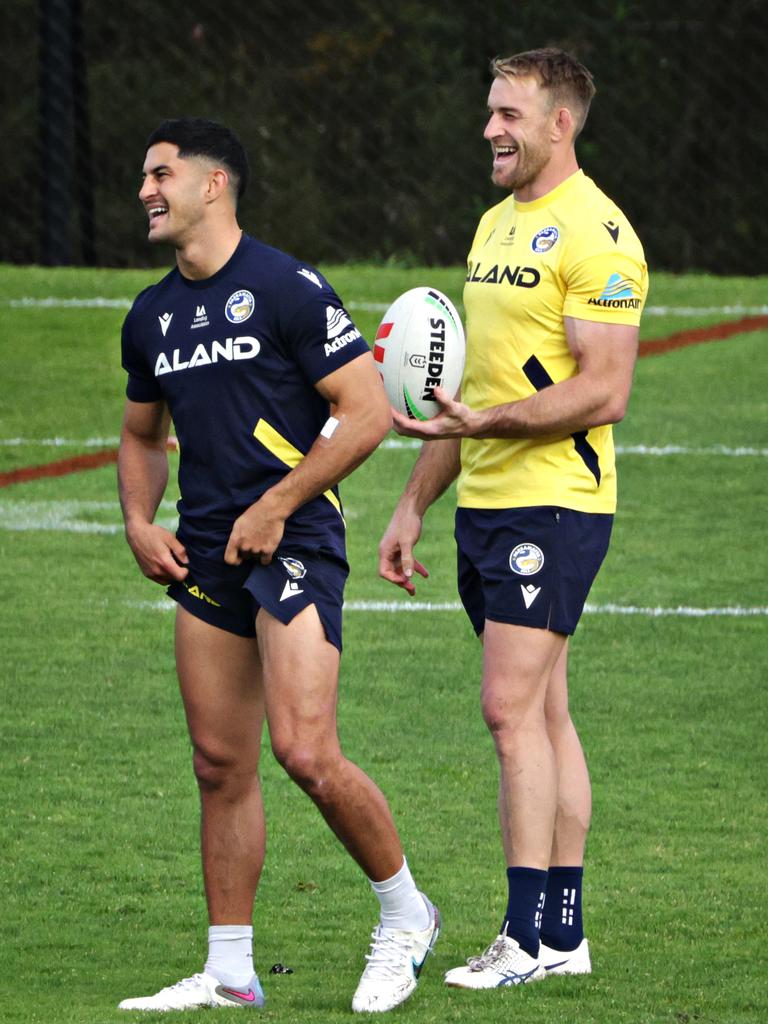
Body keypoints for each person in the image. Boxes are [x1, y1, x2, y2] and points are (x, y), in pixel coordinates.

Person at [117, 117, 439, 1014]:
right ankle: (229, 973)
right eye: (144, 177)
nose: (145, 190)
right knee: (220, 764)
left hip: (294, 540)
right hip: (207, 554)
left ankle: (407, 915)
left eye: (161, 174)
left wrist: (277, 504)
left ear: (213, 185)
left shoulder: (287, 286)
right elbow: (142, 434)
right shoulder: (151, 315)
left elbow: (367, 412)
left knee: (304, 750)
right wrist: (140, 520)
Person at [379, 49, 648, 989]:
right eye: (489, 110)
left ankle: (525, 938)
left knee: (507, 710)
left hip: (558, 504)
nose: (491, 127)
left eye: (508, 113)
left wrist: (485, 423)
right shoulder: (494, 226)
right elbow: (470, 395)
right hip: (487, 503)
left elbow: (605, 390)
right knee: (544, 712)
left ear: (559, 123)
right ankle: (565, 936)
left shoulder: (600, 235)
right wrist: (414, 501)